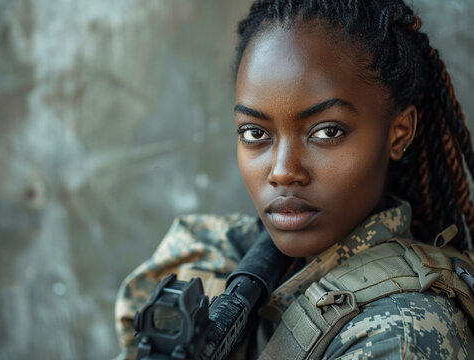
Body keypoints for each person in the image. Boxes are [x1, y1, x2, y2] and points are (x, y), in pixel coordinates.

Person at [115, 0, 474, 358]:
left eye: (327, 131)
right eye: (255, 134)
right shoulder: (219, 255)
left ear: (399, 133)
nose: (283, 170)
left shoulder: (401, 334)